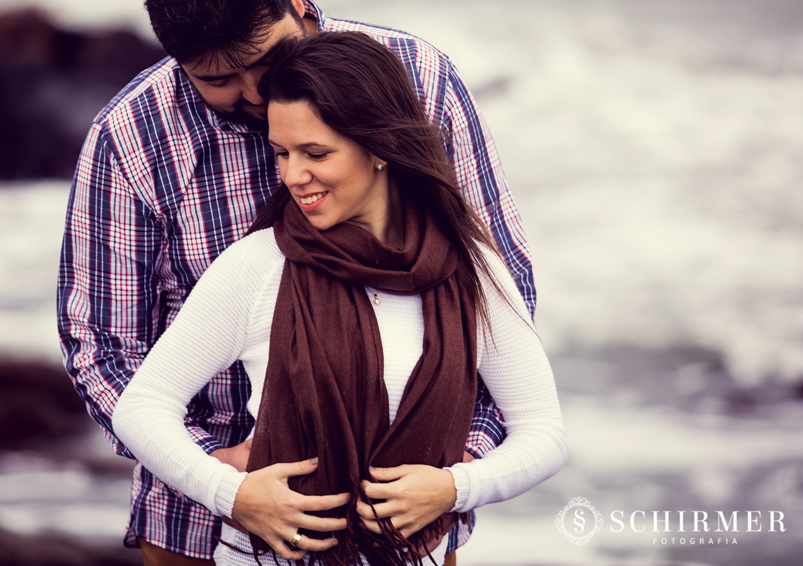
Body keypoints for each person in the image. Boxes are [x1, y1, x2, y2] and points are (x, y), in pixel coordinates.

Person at [57, 0, 535, 566]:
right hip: (196, 520)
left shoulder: (418, 79)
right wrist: (216, 475)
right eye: (218, 80)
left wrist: (454, 459)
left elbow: (497, 289)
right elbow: (101, 347)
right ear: (175, 58)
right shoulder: (130, 139)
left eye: (264, 60)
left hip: (408, 515)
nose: (255, 95)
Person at [114, 31, 567, 566]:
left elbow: (543, 433)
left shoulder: (469, 269)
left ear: (378, 148)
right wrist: (231, 494)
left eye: (316, 153)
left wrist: (454, 488)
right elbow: (141, 408)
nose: (293, 176)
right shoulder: (261, 265)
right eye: (282, 153)